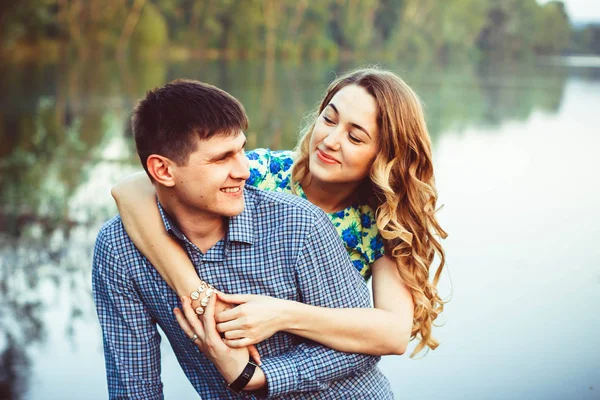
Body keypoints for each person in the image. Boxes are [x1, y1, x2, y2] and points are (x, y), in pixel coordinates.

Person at [112, 68, 448, 360]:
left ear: (386, 154)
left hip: (316, 366)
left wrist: (281, 315)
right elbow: (131, 189)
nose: (330, 140)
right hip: (236, 351)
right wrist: (196, 291)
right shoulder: (263, 173)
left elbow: (392, 333)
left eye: (355, 137)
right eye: (328, 119)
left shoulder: (380, 222)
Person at [92, 79, 394, 399]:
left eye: (242, 150)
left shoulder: (301, 226)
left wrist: (258, 375)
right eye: (222, 158)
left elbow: (367, 347)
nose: (245, 170)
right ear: (163, 171)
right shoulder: (120, 250)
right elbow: (133, 387)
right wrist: (193, 291)